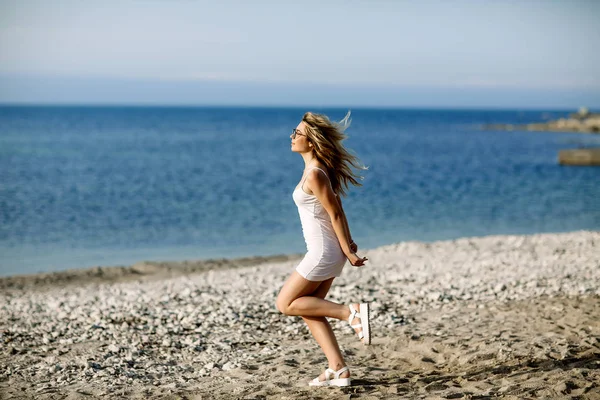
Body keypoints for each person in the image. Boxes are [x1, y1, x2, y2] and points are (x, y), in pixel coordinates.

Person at [276, 111, 370, 387]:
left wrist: (349, 251)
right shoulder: (314, 171)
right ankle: (338, 369)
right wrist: (348, 244)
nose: (292, 137)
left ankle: (349, 312)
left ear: (312, 141)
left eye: (297, 133)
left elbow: (336, 213)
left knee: (284, 304)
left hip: (322, 253)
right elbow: (337, 212)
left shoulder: (315, 174)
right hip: (328, 251)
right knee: (309, 310)